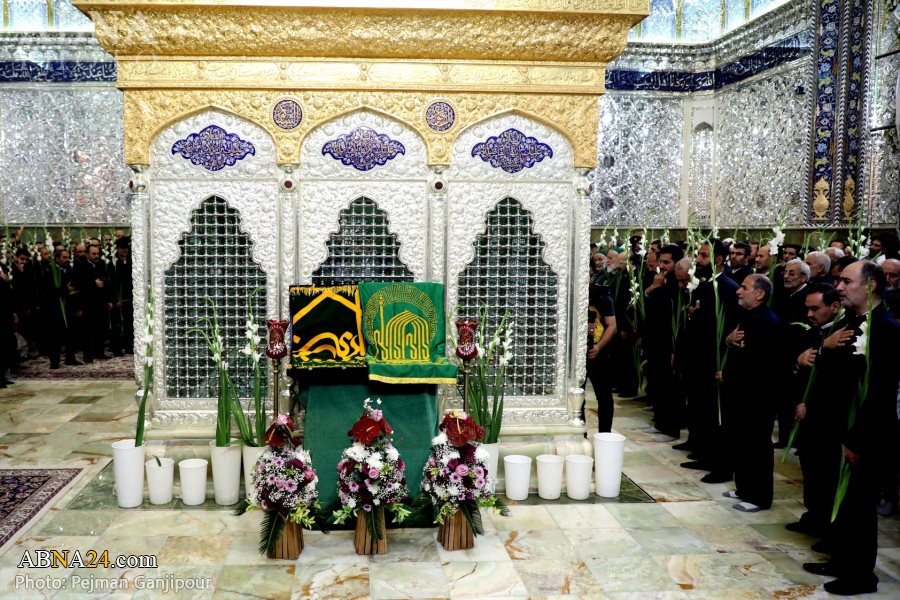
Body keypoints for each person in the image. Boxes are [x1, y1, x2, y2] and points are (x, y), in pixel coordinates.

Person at [803, 261, 900, 595]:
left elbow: (880, 391)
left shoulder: (886, 327)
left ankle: (860, 576)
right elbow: (834, 372)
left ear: (870, 285)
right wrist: (825, 348)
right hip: (836, 425)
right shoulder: (849, 320)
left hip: (864, 433)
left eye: (847, 281)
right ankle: (840, 559)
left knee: (859, 505)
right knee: (840, 500)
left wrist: (857, 440)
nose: (839, 287)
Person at [718, 274, 785, 512]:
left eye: (744, 288)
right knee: (741, 442)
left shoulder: (768, 322)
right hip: (740, 393)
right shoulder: (747, 315)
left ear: (759, 294)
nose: (738, 291)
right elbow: (738, 348)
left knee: (757, 446)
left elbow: (763, 364)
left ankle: (759, 496)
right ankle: (744, 488)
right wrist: (728, 342)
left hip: (758, 397)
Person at [785, 284, 843, 538]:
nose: (809, 314)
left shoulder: (840, 334)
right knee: (810, 469)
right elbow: (796, 365)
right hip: (805, 412)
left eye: (815, 308)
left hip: (825, 416)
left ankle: (826, 523)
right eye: (807, 308)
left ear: (834, 307)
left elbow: (832, 377)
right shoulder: (812, 333)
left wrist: (809, 402)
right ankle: (813, 515)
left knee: (825, 473)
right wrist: (798, 363)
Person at [584, 283, 617, 432]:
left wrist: (598, 347)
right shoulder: (570, 292)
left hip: (598, 351)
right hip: (577, 353)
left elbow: (612, 325)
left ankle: (605, 434)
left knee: (604, 396)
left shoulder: (602, 295)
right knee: (576, 397)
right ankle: (580, 434)